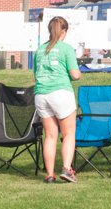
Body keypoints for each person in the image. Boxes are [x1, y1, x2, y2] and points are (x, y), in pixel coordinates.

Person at [34, 16, 81, 184]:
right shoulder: (66, 49)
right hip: (60, 93)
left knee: (50, 136)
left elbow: (35, 74)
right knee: (68, 134)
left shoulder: (40, 50)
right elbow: (75, 75)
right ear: (64, 31)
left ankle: (49, 174)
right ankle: (67, 169)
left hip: (41, 95)